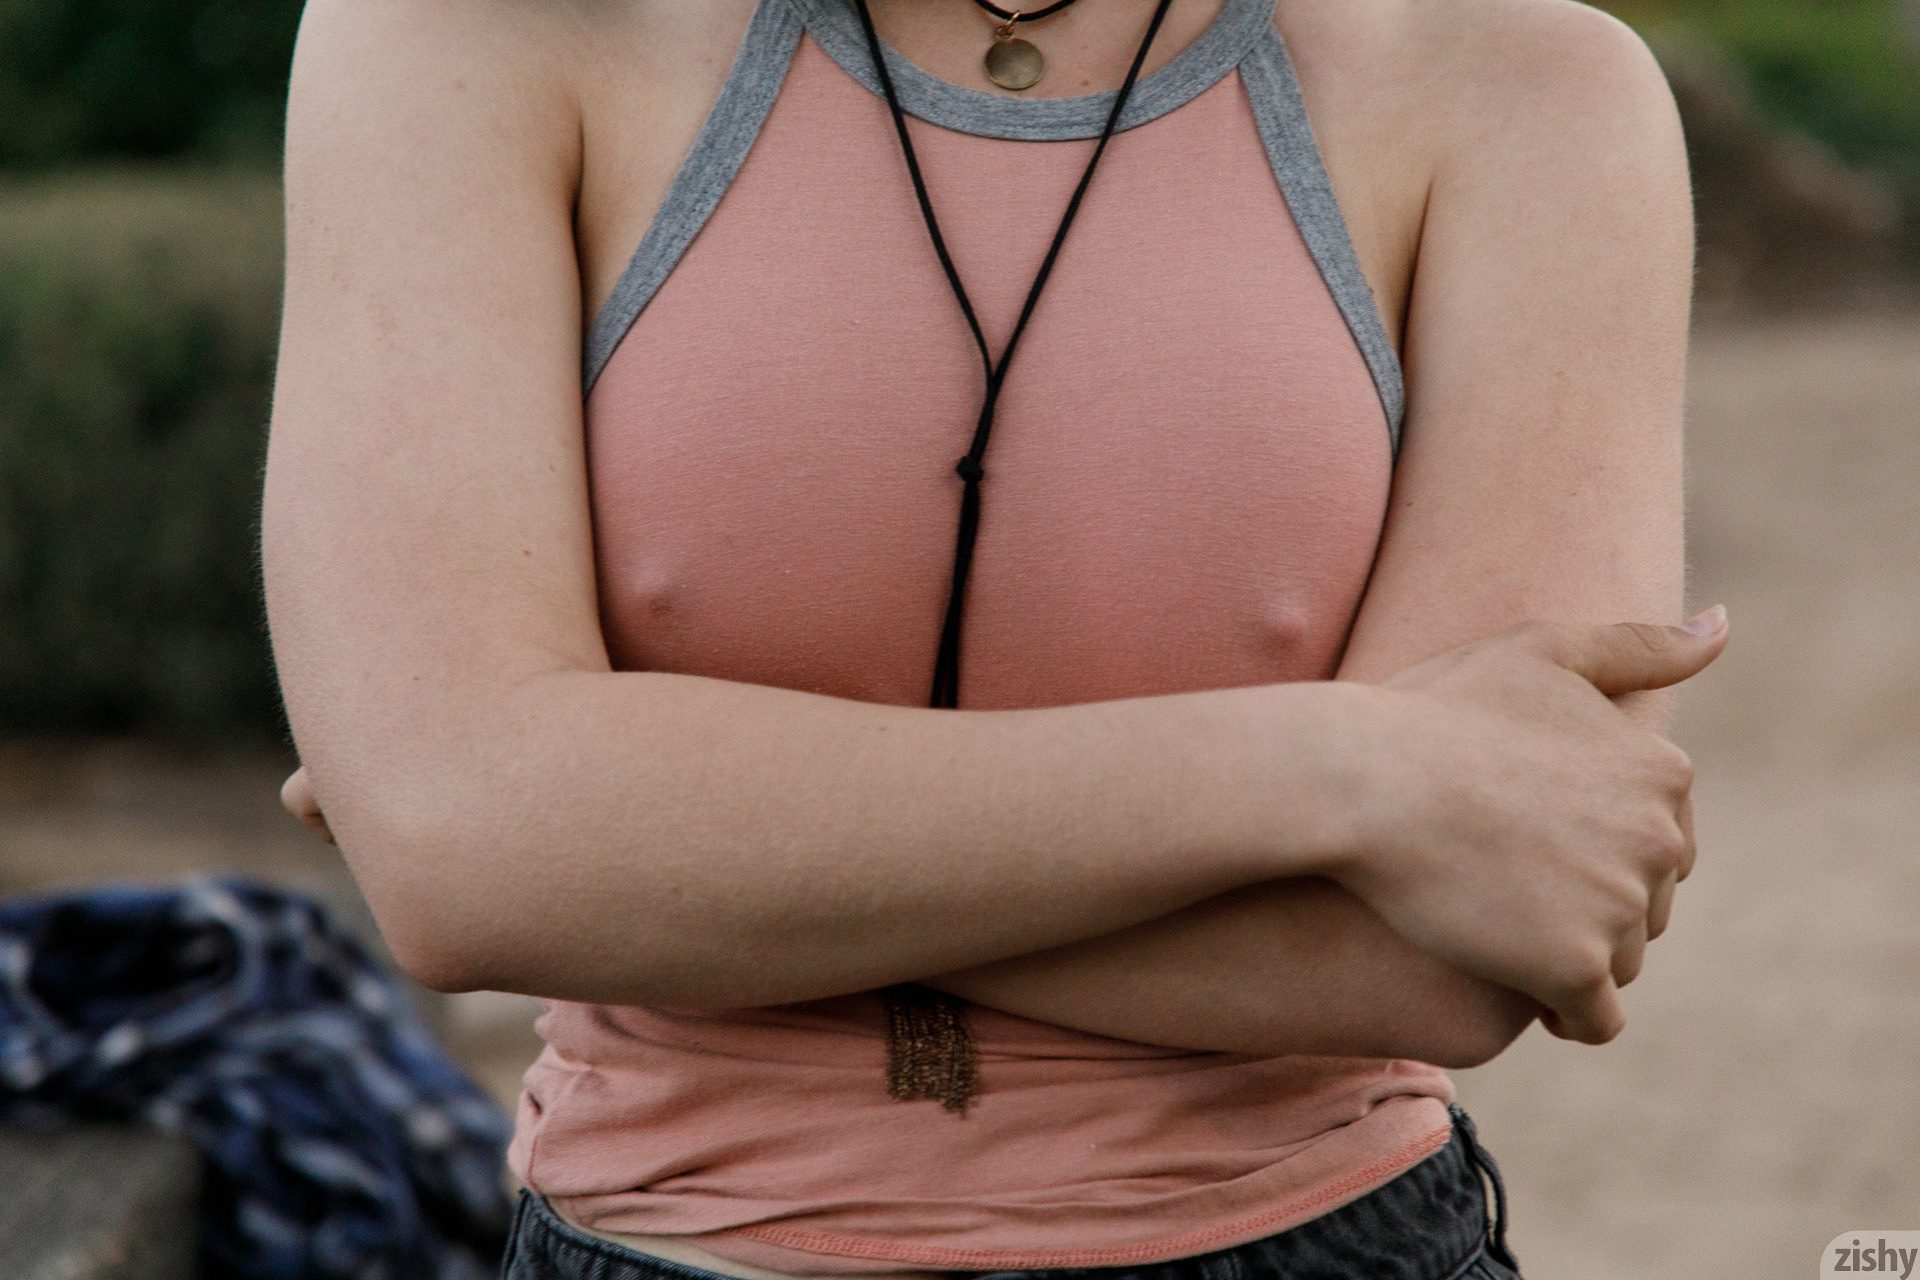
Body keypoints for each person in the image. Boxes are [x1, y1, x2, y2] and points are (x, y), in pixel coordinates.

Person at [260, 0, 1721, 1276]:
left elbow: (1450, 955)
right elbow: (467, 850)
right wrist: (1349, 768)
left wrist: (632, 845)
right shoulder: (457, 32)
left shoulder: (1529, 86)